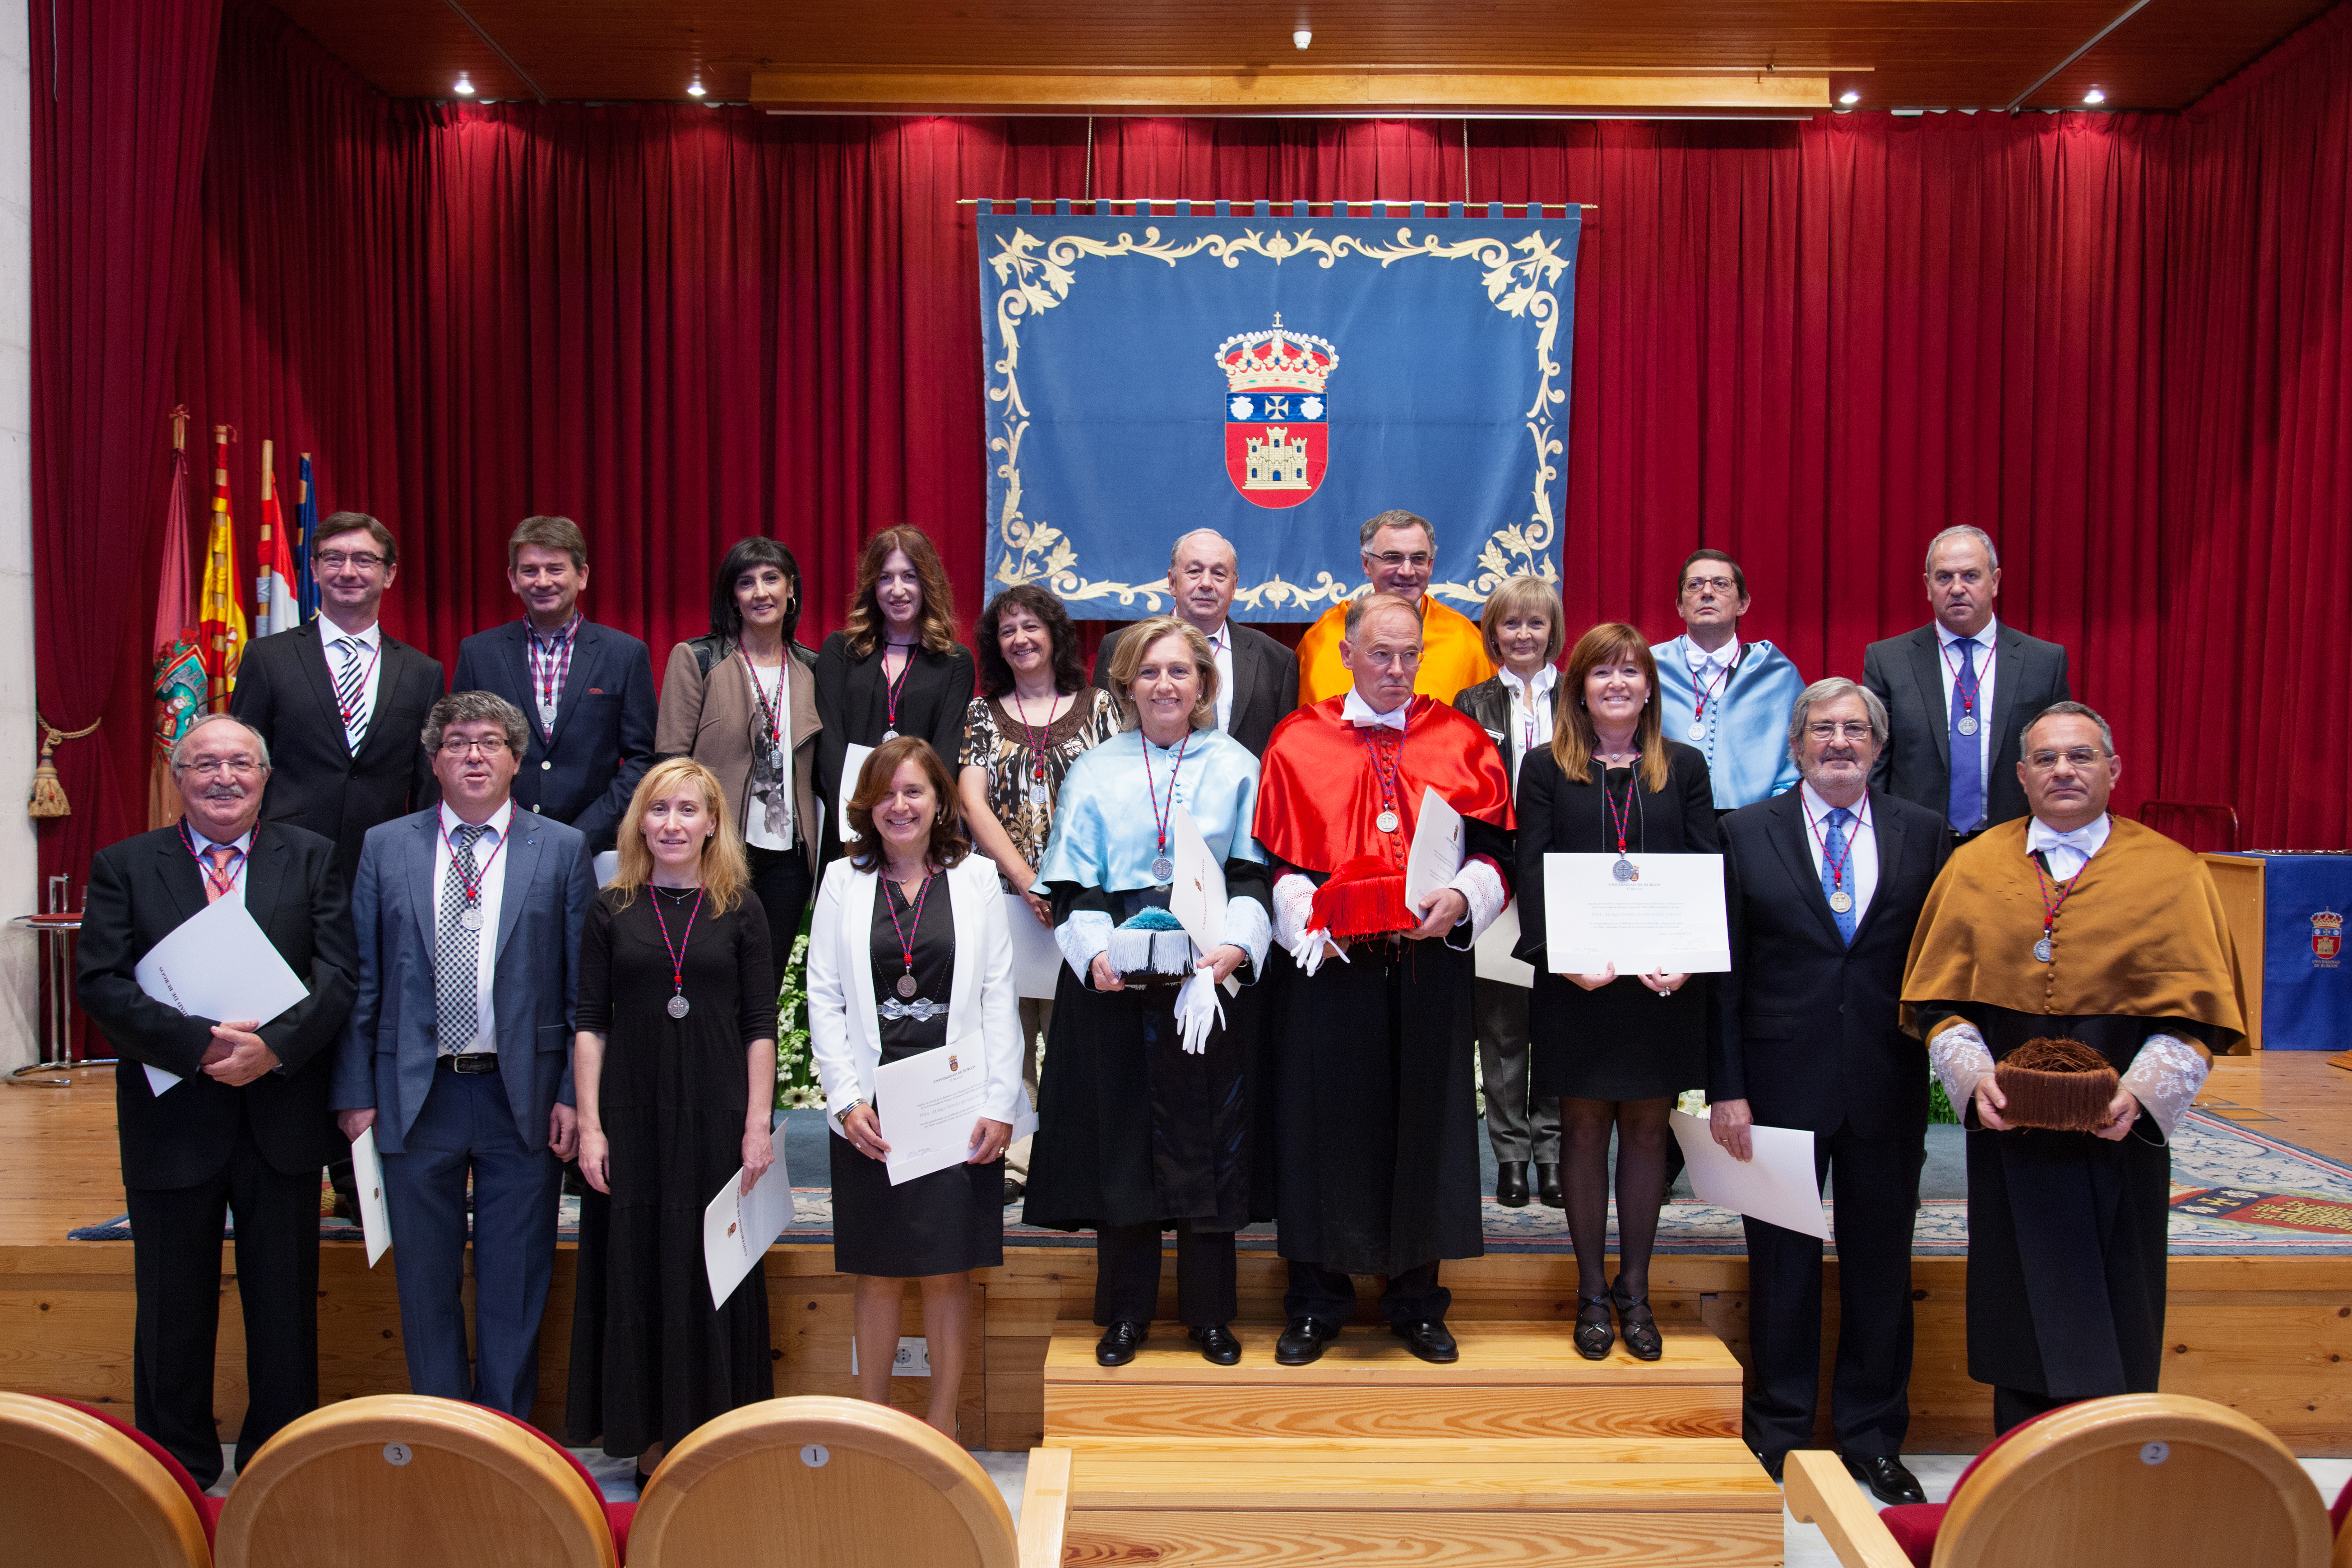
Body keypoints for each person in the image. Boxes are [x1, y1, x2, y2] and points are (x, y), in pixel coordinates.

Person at [1902, 701, 2243, 1436]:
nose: (2064, 770)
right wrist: (1972, 1077)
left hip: (2119, 1136)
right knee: (2016, 1300)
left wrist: (2142, 1095)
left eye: (2081, 756)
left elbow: (2198, 1017)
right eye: (2048, 759)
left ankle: (2110, 1466)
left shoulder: (2173, 872)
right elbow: (1935, 1000)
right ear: (2021, 775)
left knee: (2120, 1297)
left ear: (2114, 770)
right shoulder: (1975, 866)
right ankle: (2021, 1470)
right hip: (2010, 1133)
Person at [75, 715, 356, 1488]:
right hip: (175, 1116)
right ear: (177, 775)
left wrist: (273, 1047)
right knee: (171, 1305)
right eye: (204, 764)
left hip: (283, 1113)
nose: (223, 777)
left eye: (240, 763)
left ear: (266, 776)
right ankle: (173, 1465)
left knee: (285, 1304)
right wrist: (199, 1045)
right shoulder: (125, 865)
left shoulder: (312, 858)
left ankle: (281, 1461)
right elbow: (100, 981)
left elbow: (337, 974)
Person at [1254, 592, 1514, 1366]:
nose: (1398, 670)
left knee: (1425, 1120)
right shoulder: (1298, 739)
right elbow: (1278, 863)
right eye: (1382, 655)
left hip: (1428, 962)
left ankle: (1416, 1300)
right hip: (1331, 972)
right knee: (1321, 1124)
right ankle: (1316, 1301)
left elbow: (1498, 849)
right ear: (1347, 656)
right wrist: (1311, 922)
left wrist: (1463, 897)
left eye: (1410, 656)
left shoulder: (1463, 738)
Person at [1707, 678, 1950, 1501]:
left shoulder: (1924, 835)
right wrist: (1726, 1089)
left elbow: (1938, 965)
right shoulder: (1743, 835)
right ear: (1795, 745)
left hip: (1884, 1080)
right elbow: (1723, 977)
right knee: (1779, 1266)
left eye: (1854, 729)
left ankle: (1871, 1435)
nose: (1838, 742)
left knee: (1880, 1266)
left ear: (1876, 747)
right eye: (1822, 729)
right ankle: (1776, 1431)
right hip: (1773, 1086)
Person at [332, 691, 595, 1417]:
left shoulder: (562, 849)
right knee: (423, 1276)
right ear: (434, 759)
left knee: (516, 1274)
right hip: (416, 1093)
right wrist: (356, 1092)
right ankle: (444, 1429)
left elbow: (582, 991)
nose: (472, 754)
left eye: (488, 742)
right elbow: (364, 979)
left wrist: (575, 1093)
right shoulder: (387, 845)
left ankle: (505, 1432)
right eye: (455, 742)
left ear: (516, 759)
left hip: (526, 1094)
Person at [1024, 616, 1272, 1367]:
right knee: (1124, 1142)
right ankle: (1125, 1312)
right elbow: (1072, 882)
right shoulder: (1095, 769)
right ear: (1128, 684)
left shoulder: (1235, 764)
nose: (1166, 685)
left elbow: (1253, 872)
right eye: (1151, 672)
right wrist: (1096, 955)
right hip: (1117, 975)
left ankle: (1210, 1314)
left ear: (1204, 683)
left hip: (1208, 973)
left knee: (1212, 1140)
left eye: (1181, 671)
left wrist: (1233, 948)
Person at [567, 758, 776, 1486]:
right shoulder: (612, 905)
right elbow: (590, 1023)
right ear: (640, 822)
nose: (673, 824)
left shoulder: (742, 907)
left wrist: (759, 1125)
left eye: (689, 810)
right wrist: (591, 1127)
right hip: (634, 1112)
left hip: (719, 1112)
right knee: (642, 1266)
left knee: (712, 1268)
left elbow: (759, 1026)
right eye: (659, 810)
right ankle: (650, 1431)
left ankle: (717, 1426)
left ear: (714, 822)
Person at [1514, 624, 1718, 1363]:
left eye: (1632, 672)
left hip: (1660, 984)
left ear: (1651, 687)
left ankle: (1636, 1290)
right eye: (1603, 672)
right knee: (1582, 1131)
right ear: (1580, 687)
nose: (1618, 684)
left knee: (1644, 1132)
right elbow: (1529, 871)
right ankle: (1591, 1290)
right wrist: (1561, 957)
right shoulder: (1544, 768)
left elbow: (1706, 866)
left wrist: (1689, 958)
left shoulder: (1685, 768)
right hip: (1577, 982)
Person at [807, 737, 1022, 1438]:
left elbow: (998, 995)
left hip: (952, 1102)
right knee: (876, 1271)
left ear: (940, 803)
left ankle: (941, 1425)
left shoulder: (977, 879)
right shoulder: (842, 878)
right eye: (886, 793)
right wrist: (845, 1099)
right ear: (866, 805)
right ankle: (874, 1424)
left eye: (915, 791)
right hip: (873, 1105)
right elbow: (825, 995)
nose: (899, 805)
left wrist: (999, 1102)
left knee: (946, 1271)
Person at [958, 584, 1120, 1201]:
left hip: (1081, 900)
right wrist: (1028, 882)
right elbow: (970, 801)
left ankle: (1077, 1155)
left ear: (1054, 632)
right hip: (1002, 897)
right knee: (1007, 1029)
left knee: (1078, 1031)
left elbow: (1114, 794)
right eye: (1007, 631)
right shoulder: (981, 713)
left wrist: (1062, 884)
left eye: (1031, 626)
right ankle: (1016, 1162)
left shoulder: (1101, 705)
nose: (1021, 639)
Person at [231, 511, 444, 889]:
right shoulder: (267, 658)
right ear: (314, 569)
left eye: (364, 560)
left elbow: (429, 783)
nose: (348, 572)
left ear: (389, 574)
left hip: (387, 865)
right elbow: (243, 763)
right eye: (334, 558)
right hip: (285, 860)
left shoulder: (422, 672)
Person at [655, 537, 824, 983]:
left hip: (789, 859)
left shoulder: (815, 668)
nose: (760, 592)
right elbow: (669, 766)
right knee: (707, 981)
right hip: (716, 850)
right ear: (733, 595)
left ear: (792, 590)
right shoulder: (697, 659)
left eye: (772, 579)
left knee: (763, 988)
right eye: (746, 583)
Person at [1450, 574, 1565, 1209]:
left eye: (1535, 623)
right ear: (1492, 632)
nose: (1523, 635)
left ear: (1553, 631)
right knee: (1499, 1028)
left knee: (1553, 1019)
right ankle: (1510, 1157)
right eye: (1511, 623)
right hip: (1495, 878)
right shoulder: (1470, 703)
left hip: (1561, 882)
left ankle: (1550, 1153)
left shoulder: (1578, 697)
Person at [450, 515, 658, 855]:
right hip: (497, 842)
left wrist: (585, 834)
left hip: (594, 847)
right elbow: (459, 748)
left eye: (555, 569)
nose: (542, 581)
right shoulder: (478, 653)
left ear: (582, 576)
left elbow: (642, 758)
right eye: (529, 570)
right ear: (513, 579)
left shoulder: (624, 654)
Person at [1863, 526, 2071, 839]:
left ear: (1995, 582)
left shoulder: (2043, 662)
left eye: (1971, 576)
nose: (1957, 588)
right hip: (1914, 840)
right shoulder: (1888, 660)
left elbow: (2057, 756)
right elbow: (1875, 760)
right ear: (1928, 586)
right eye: (1944, 577)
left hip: (2013, 838)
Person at [815, 526, 977, 867]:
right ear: (873, 586)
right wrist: (856, 823)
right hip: (849, 832)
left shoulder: (955, 662)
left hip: (918, 835)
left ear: (928, 584)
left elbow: (945, 756)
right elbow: (830, 747)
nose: (897, 590)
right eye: (886, 578)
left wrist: (908, 824)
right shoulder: (839, 651)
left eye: (910, 577)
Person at [1091, 528, 1300, 756]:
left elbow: (1284, 755)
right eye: (1194, 571)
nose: (1207, 583)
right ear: (1172, 582)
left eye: (1219, 574)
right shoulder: (1119, 647)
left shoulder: (1277, 660)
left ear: (1234, 587)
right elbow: (1105, 743)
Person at [1649, 549, 1803, 811]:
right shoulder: (1648, 668)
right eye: (1695, 585)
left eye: (1721, 584)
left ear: (1743, 604)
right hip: (1665, 820)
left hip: (1755, 823)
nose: (1707, 593)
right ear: (1680, 606)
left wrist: (1773, 817)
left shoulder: (1778, 674)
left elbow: (1797, 760)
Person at [1292, 510, 1495, 708]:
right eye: (1392, 558)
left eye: (1418, 559)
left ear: (1431, 565)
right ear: (1366, 563)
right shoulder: (1323, 638)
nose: (1407, 571)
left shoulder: (1465, 640)